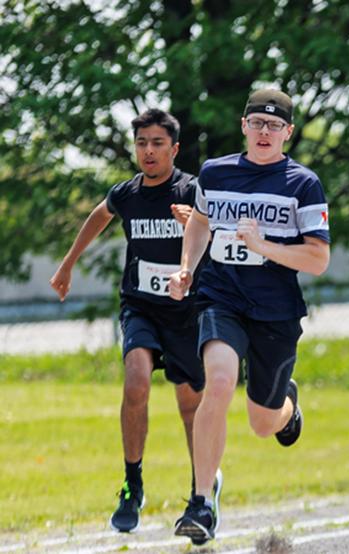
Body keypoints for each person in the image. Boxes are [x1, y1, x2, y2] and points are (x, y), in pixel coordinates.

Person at [168, 88, 331, 545]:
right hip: (221, 296)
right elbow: (200, 222)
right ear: (243, 126)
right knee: (217, 381)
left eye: (274, 126)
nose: (265, 132)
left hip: (275, 311)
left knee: (263, 422)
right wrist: (186, 269)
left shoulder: (303, 183)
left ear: (288, 133)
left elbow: (318, 259)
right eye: (257, 123)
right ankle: (202, 500)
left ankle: (288, 408)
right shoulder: (216, 173)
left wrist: (265, 247)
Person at [49, 109, 221, 532]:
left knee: (188, 405)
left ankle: (203, 490)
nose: (148, 151)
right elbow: (99, 215)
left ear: (174, 149)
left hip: (185, 310)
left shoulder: (193, 191)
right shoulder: (127, 193)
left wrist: (202, 225)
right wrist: (68, 263)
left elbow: (222, 235)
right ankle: (132, 484)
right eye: (142, 142)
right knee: (136, 382)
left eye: (157, 143)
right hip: (140, 307)